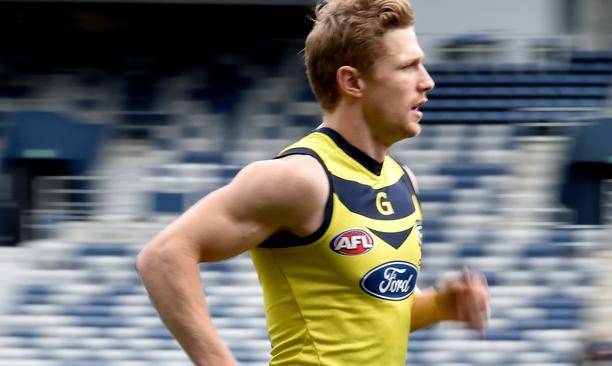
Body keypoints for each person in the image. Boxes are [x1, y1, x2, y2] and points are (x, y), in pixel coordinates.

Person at [136, 0, 490, 365]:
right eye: (407, 67)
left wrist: (439, 307)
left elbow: (367, 313)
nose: (427, 80)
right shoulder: (300, 178)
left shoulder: (402, 181)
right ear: (352, 81)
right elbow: (162, 258)